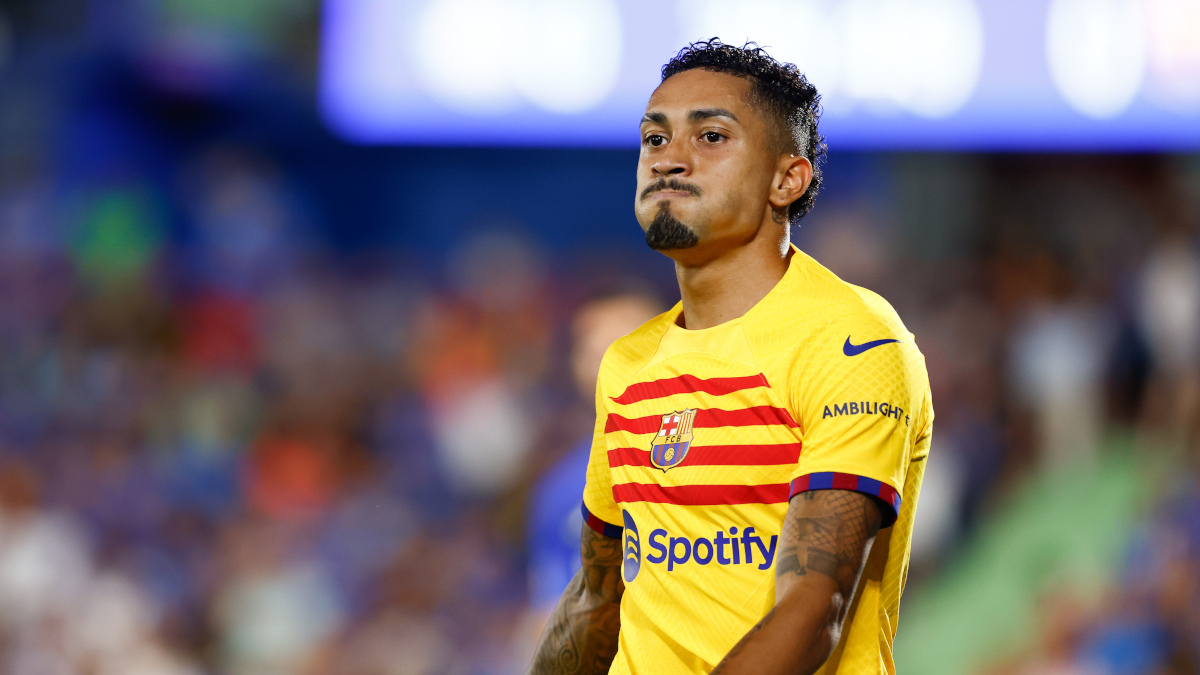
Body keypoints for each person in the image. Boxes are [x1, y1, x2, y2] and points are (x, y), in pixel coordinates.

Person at [526, 39, 934, 675]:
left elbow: (813, 609)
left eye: (711, 137)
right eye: (654, 139)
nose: (668, 159)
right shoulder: (629, 363)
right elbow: (597, 601)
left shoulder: (851, 341)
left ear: (786, 179)